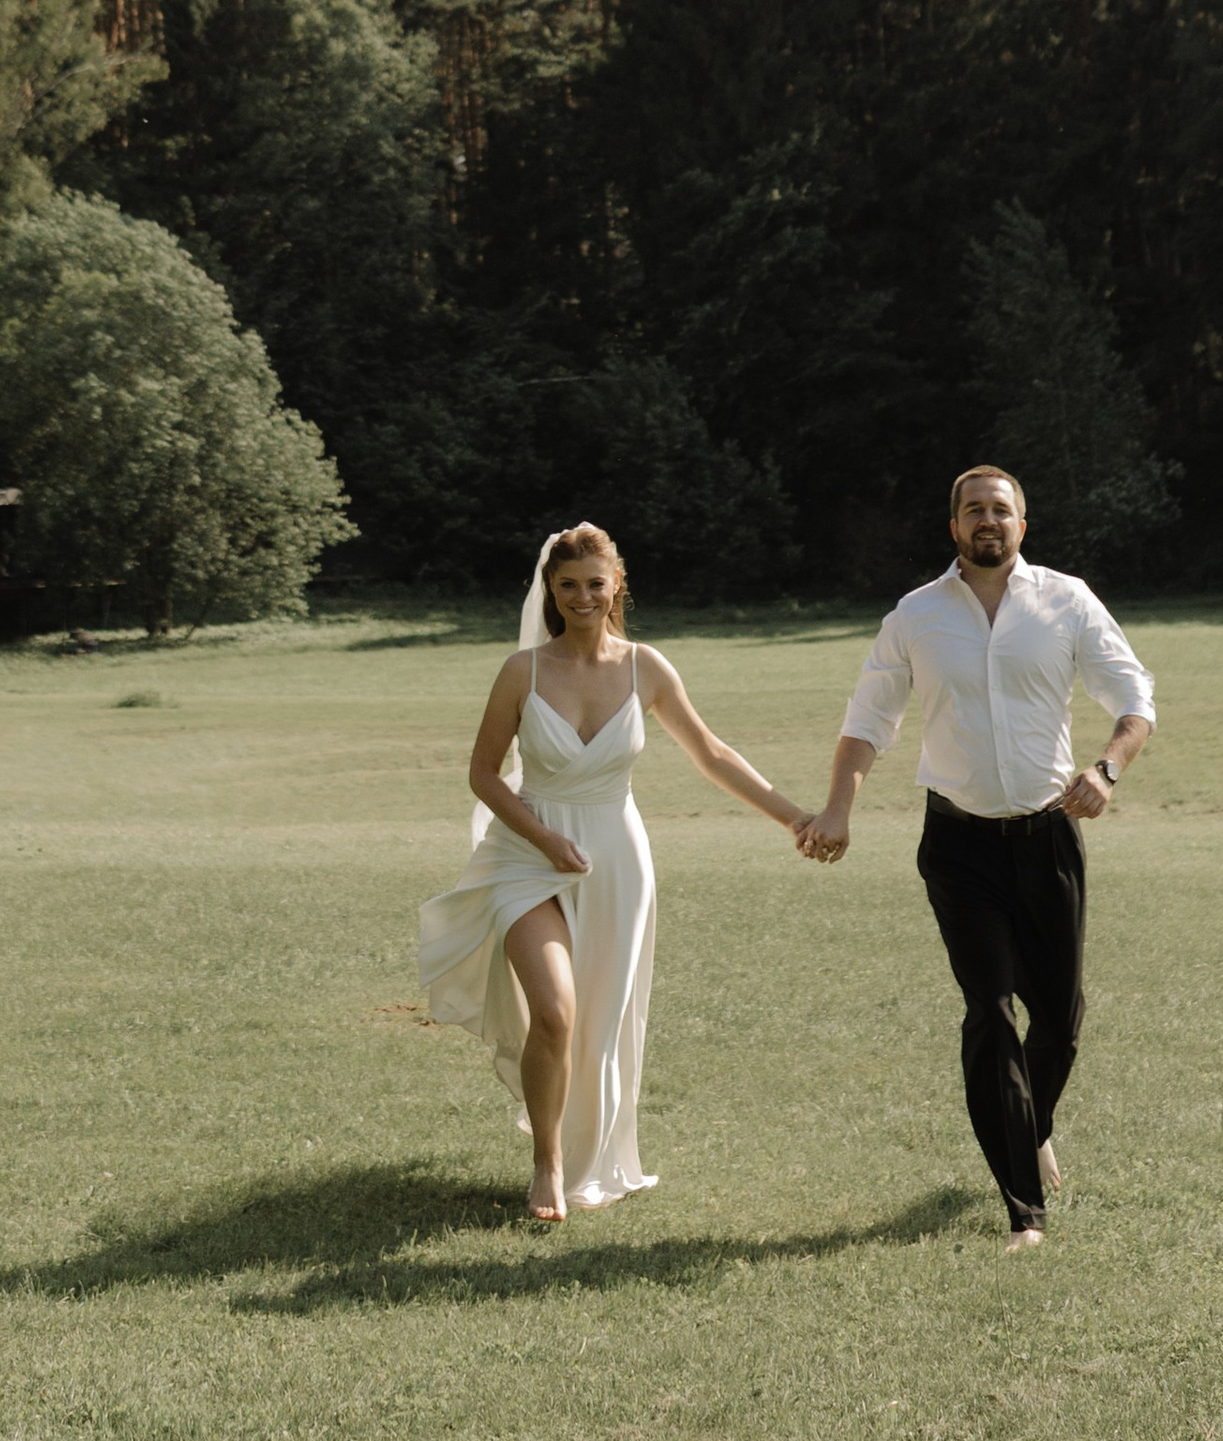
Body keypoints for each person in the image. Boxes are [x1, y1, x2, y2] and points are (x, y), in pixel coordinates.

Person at [795, 466, 1155, 1250]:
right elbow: (867, 721)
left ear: (1023, 526)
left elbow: (1134, 698)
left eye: (1001, 510)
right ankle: (1025, 1213)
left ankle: (1030, 1124)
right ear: (953, 527)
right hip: (957, 845)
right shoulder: (916, 616)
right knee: (990, 1012)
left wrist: (1107, 770)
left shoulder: (1067, 600)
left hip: (1048, 834)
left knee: (1059, 1023)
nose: (987, 520)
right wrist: (839, 807)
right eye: (973, 510)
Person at [419, 521, 810, 1223]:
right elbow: (483, 774)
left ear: (617, 583)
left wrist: (793, 818)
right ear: (550, 589)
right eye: (567, 586)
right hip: (526, 856)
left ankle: (592, 1157)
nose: (581, 597)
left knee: (598, 1021)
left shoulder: (647, 668)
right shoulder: (523, 672)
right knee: (557, 1011)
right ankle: (548, 1162)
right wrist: (543, 838)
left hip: (616, 858)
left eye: (594, 583)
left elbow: (713, 754)